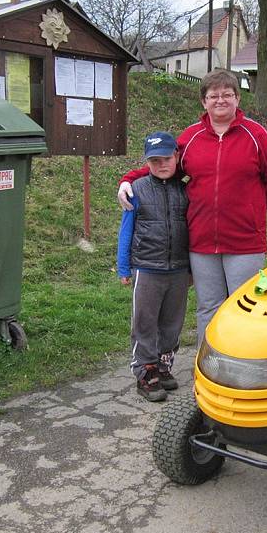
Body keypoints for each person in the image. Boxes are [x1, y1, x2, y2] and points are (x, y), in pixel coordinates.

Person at [118, 70, 267, 345]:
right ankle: (207, 367)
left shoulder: (256, 135)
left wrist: (253, 210)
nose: (220, 100)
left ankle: (242, 371)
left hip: (245, 242)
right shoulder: (191, 138)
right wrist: (128, 179)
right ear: (204, 102)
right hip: (202, 241)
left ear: (237, 98)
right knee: (209, 308)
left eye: (227, 95)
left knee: (245, 308)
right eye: (213, 96)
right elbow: (165, 167)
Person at [117, 131, 189, 402]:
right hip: (147, 268)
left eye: (167, 158)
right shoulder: (136, 190)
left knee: (172, 322)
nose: (162, 165)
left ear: (177, 157)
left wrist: (191, 266)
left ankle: (163, 365)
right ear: (147, 162)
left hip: (178, 268)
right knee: (145, 321)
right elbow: (126, 230)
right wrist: (123, 267)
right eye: (155, 160)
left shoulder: (185, 190)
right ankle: (145, 371)